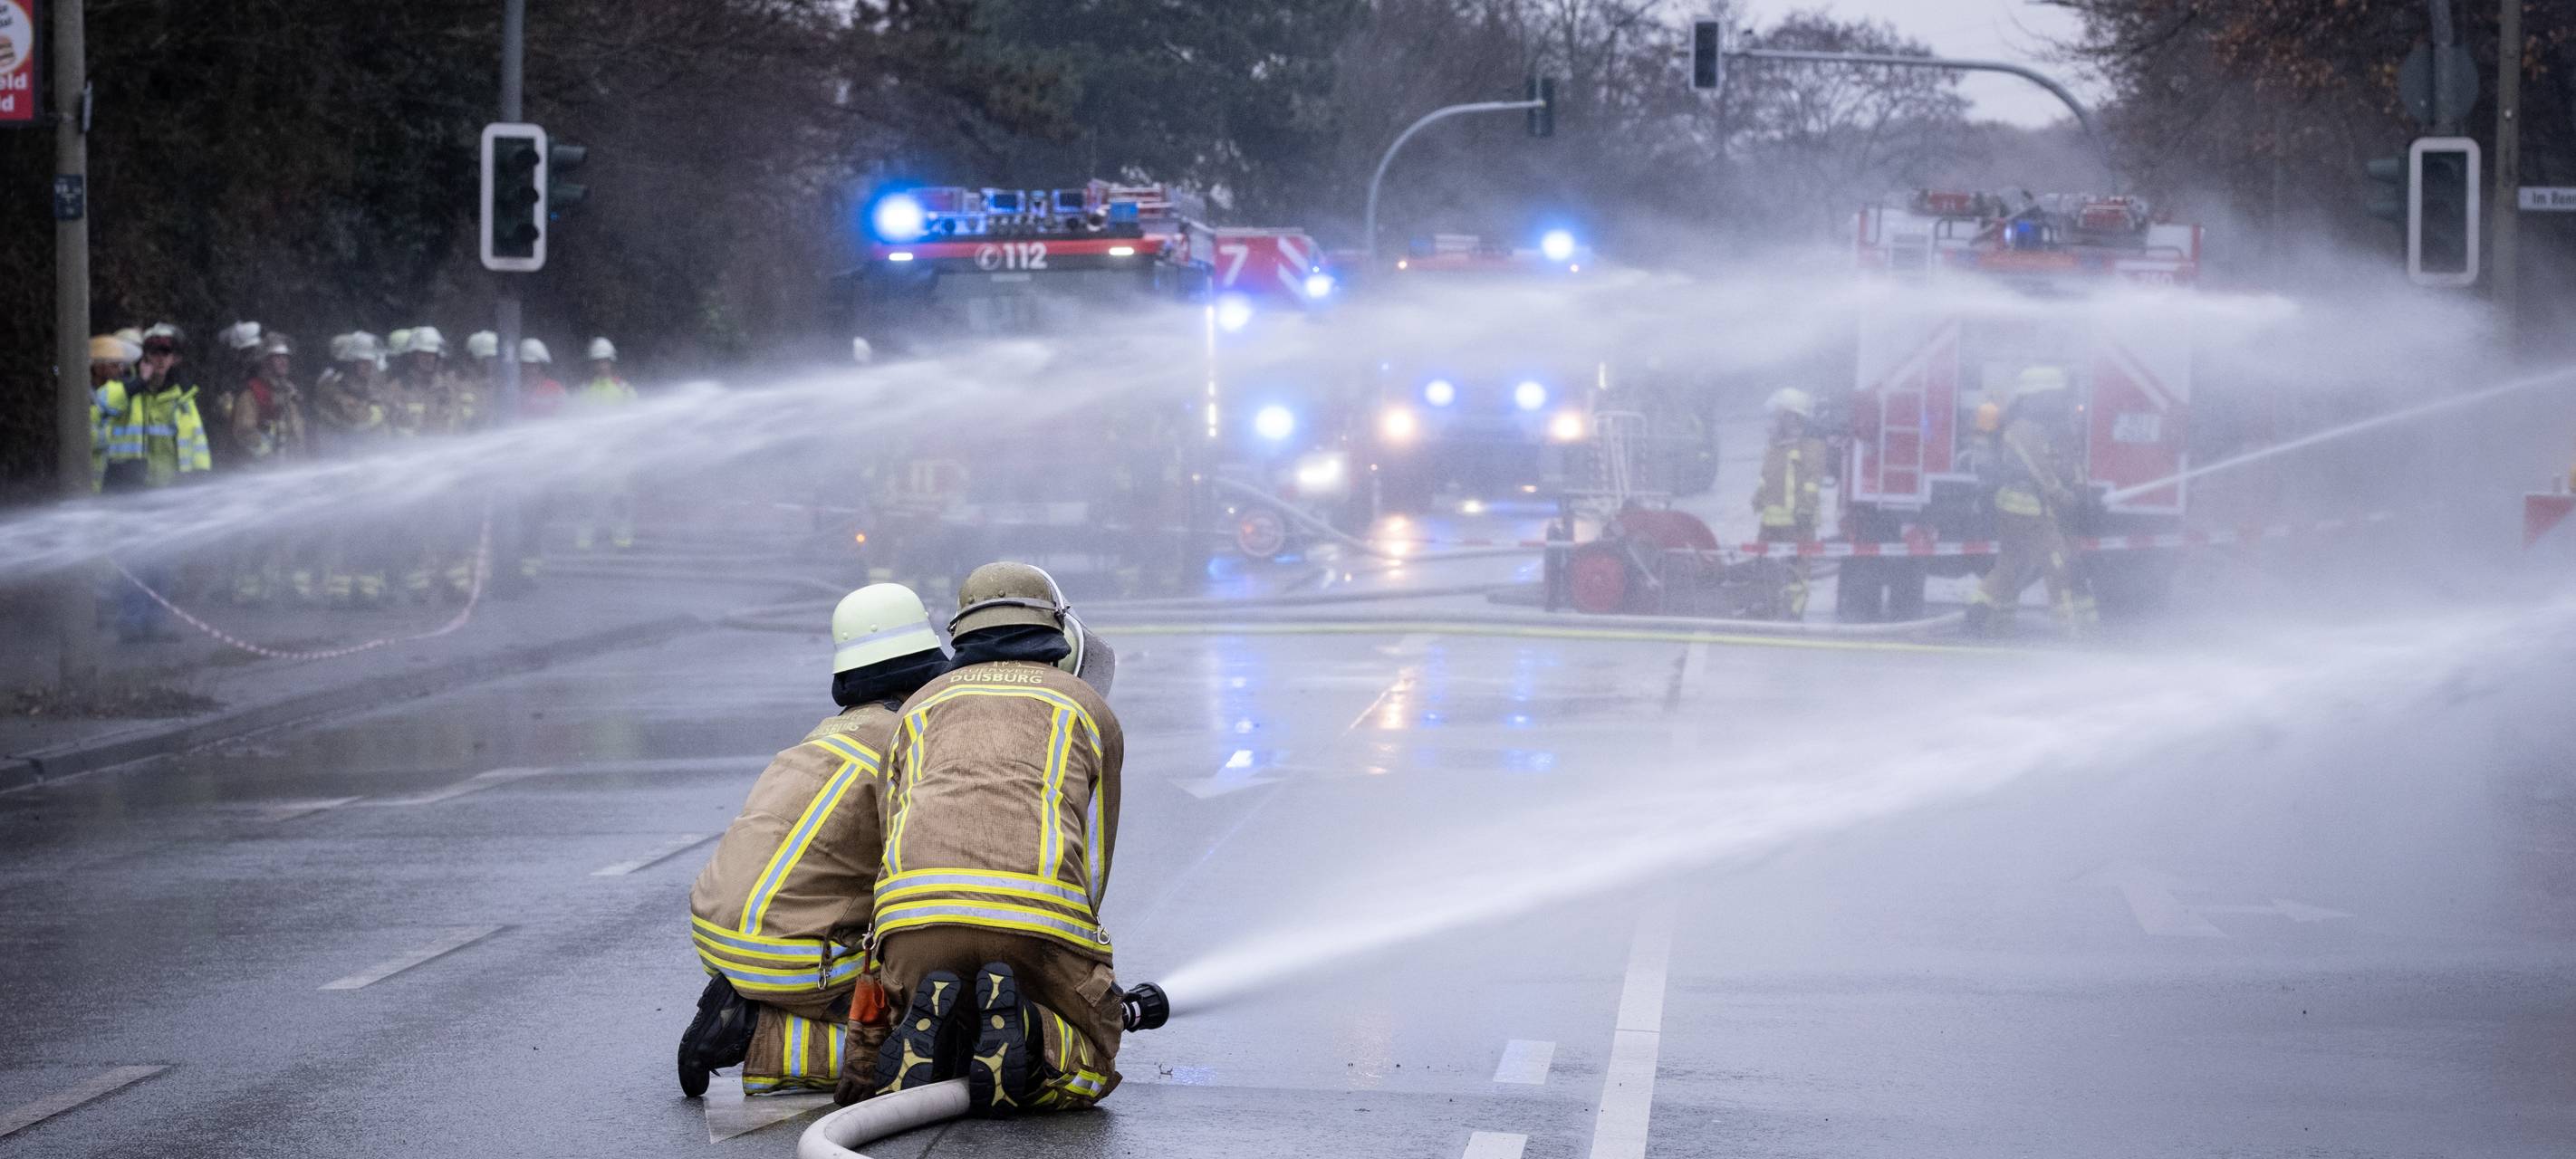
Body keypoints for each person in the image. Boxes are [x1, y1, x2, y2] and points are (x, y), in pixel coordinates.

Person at [852, 561, 1124, 1115]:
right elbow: (1094, 864)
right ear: (1057, 634)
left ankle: (939, 1023)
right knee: (1094, 1054)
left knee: (932, 1019)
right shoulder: (1089, 708)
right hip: (1035, 922)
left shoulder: (916, 706)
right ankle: (1026, 1028)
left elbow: (892, 832)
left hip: (913, 921)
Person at [678, 584, 951, 1099]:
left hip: (716, 935)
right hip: (787, 958)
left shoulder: (827, 735)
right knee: (931, 1032)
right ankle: (759, 1030)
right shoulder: (905, 743)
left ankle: (749, 1000)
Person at [1967, 367, 2098, 637]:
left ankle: (1986, 618)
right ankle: (2073, 629)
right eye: (2051, 396)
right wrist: (2065, 497)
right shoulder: (2023, 428)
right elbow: (2040, 470)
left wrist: (2078, 489)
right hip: (2028, 510)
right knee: (2058, 563)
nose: (2057, 402)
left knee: (2010, 567)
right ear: (2034, 398)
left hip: (2028, 508)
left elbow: (2062, 462)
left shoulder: (2041, 427)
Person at [229, 335, 312, 603]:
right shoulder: (252, 394)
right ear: (264, 362)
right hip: (260, 478)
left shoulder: (290, 393)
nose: (283, 362)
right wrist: (268, 456)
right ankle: (249, 590)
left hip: (290, 475)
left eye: (285, 357)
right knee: (258, 535)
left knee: (292, 531)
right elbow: (243, 430)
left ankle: (286, 587)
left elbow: (298, 430)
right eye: (277, 357)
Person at [312, 332, 393, 606]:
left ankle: (368, 589)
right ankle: (339, 590)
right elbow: (358, 420)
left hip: (369, 474)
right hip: (342, 474)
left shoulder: (369, 388)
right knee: (342, 530)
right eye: (360, 362)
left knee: (371, 531)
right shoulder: (331, 388)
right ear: (348, 362)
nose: (367, 367)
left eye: (369, 362)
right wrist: (381, 410)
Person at [1750, 388, 1828, 620]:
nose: (1771, 422)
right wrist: (1758, 498)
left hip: (1798, 523)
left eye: (1777, 416)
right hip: (1771, 523)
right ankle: (1766, 605)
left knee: (1797, 569)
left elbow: (1812, 482)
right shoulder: (1774, 449)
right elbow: (1766, 480)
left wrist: (1805, 509)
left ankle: (1793, 611)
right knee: (1765, 565)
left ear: (1792, 417)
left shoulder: (1810, 447)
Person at [570, 337, 637, 551]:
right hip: (589, 457)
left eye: (604, 361)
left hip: (617, 458)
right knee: (586, 503)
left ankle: (623, 542)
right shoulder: (583, 391)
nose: (601, 365)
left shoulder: (625, 390)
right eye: (597, 361)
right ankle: (583, 543)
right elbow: (571, 422)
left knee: (619, 502)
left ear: (611, 362)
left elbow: (638, 422)